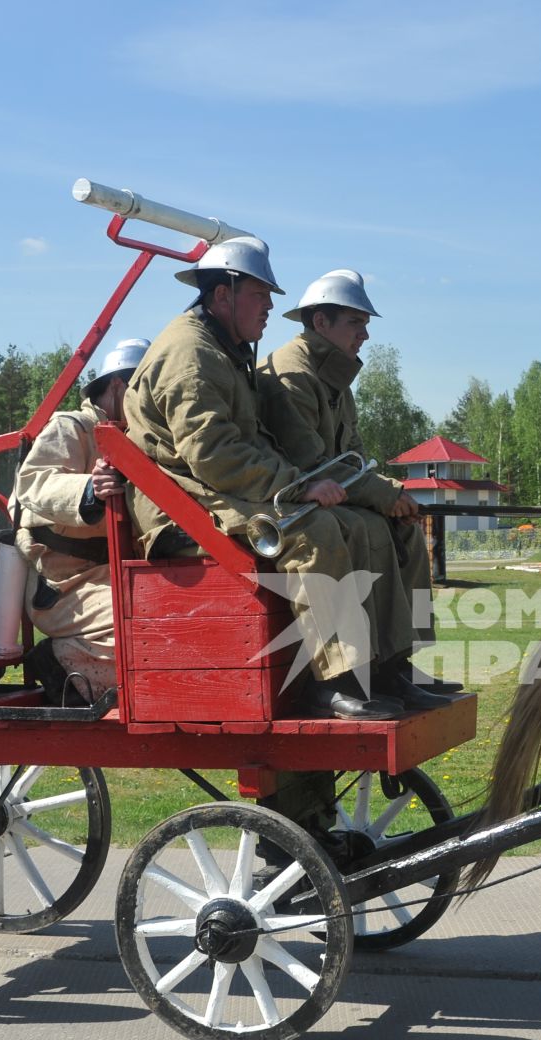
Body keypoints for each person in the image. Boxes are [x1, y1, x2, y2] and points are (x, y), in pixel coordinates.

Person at [122, 236, 421, 720]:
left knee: (367, 525)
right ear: (223, 294)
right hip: (183, 504)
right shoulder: (190, 353)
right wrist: (299, 485)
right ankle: (335, 683)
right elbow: (213, 453)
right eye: (261, 295)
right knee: (315, 531)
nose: (270, 307)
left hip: (216, 492)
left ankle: (384, 670)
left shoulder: (220, 349)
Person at [260, 269, 458, 700]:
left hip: (326, 493)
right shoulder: (293, 376)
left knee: (404, 531)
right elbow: (313, 465)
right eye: (356, 322)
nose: (365, 335)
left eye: (365, 323)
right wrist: (385, 496)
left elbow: (354, 460)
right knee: (370, 529)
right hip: (295, 500)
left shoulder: (334, 377)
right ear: (320, 323)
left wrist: (394, 495)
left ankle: (395, 664)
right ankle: (350, 674)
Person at [8, 337, 147, 703]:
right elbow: (33, 486)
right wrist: (91, 490)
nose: (152, 402)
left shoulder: (140, 439)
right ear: (118, 385)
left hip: (117, 576)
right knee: (148, 621)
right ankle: (58, 661)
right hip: (63, 587)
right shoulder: (71, 427)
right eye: (144, 387)